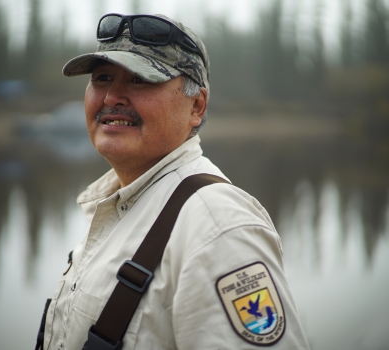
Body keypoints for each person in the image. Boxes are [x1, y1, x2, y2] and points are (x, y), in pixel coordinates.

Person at [41, 13, 310, 350]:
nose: (112, 97)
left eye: (140, 80)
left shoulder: (218, 229)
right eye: (103, 78)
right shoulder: (121, 204)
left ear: (196, 106)